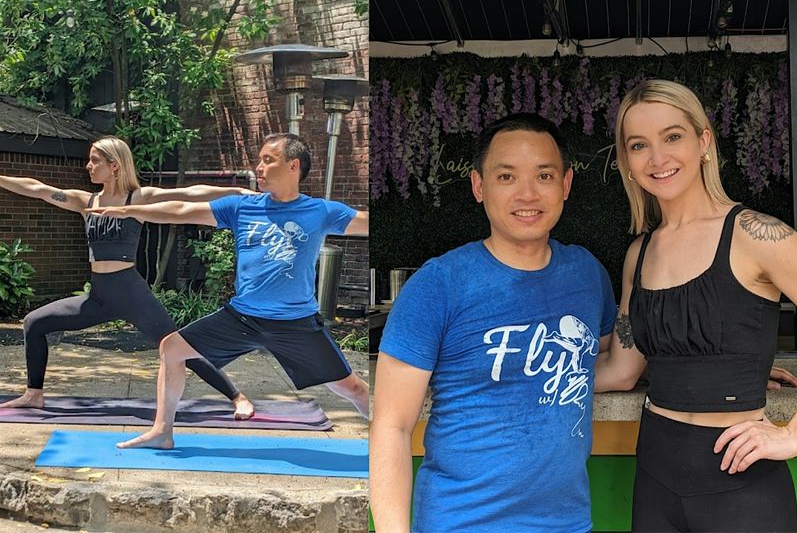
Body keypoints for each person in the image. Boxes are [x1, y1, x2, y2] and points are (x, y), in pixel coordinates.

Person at [593, 79, 797, 532]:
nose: (657, 158)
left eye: (672, 136)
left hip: (741, 490)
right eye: (639, 145)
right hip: (654, 477)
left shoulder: (759, 236)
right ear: (627, 162)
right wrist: (528, 380)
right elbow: (621, 370)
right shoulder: (637, 255)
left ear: (703, 141)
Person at [370, 114, 616, 533]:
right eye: (506, 176)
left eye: (544, 175)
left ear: (566, 185)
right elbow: (391, 426)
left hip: (567, 523)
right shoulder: (439, 284)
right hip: (463, 521)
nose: (527, 193)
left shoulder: (587, 274)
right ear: (478, 186)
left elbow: (604, 355)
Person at [85, 133, 371, 448]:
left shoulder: (321, 212)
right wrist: (128, 212)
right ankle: (162, 432)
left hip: (296, 323)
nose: (259, 167)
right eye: (259, 159)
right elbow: (181, 211)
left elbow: (367, 223)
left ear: (294, 166)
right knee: (172, 349)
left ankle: (388, 432)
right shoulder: (241, 207)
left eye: (268, 160)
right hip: (242, 318)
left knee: (353, 389)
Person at [0, 136, 255, 418]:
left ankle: (237, 396)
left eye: (94, 160)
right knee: (34, 323)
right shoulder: (86, 201)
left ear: (115, 166)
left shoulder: (138, 198)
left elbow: (190, 193)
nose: (88, 166)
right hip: (98, 297)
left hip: (130, 293)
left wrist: (239, 192)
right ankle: (34, 394)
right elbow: (38, 189)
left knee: (178, 346)